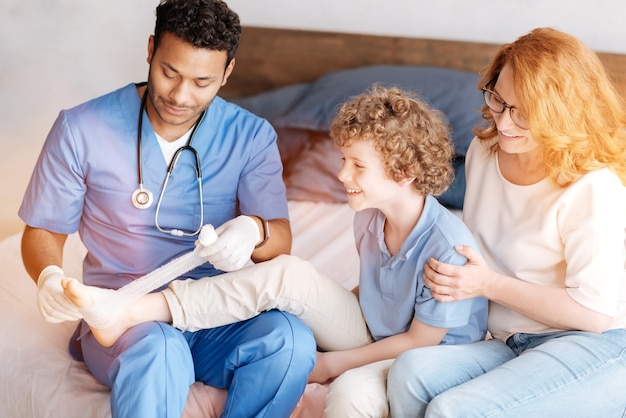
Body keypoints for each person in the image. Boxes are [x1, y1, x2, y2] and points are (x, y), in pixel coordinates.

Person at [61, 85, 489, 417]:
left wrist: (329, 364)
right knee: (288, 274)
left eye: (357, 165)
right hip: (378, 331)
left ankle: (132, 310)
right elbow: (378, 291)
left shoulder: (446, 245)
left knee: (298, 304)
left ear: (405, 172)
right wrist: (325, 312)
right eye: (343, 160)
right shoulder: (369, 215)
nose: (342, 175)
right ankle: (137, 310)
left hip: (423, 355)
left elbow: (417, 343)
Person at [18, 1, 317, 417]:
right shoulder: (81, 128)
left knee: (289, 339)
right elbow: (44, 229)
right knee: (160, 348)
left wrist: (254, 230)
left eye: (202, 82)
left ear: (228, 72)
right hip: (124, 317)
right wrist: (48, 276)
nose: (180, 95)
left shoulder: (250, 136)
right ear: (150, 50)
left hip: (217, 310)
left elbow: (280, 237)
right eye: (169, 72)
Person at [386, 27, 626, 417]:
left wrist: (487, 284)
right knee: (409, 371)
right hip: (510, 339)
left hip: (597, 343)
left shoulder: (592, 186)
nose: (505, 123)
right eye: (499, 101)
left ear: (560, 112)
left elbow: (593, 314)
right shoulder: (485, 152)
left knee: (453, 410)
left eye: (523, 112)